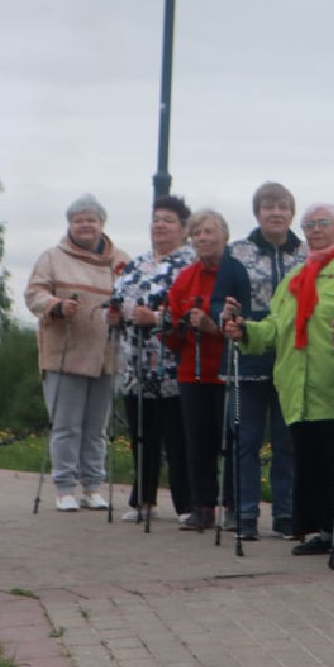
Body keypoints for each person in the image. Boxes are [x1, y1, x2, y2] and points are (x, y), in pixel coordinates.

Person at [224, 203, 334, 555]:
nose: (315, 229)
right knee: (310, 464)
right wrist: (245, 331)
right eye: (310, 224)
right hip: (297, 387)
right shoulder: (294, 279)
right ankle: (323, 530)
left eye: (323, 223)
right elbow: (274, 326)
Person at [24, 195, 130, 512]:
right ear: (70, 224)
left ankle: (93, 486)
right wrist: (56, 306)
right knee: (66, 426)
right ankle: (66, 487)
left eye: (91, 219)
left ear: (102, 224)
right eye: (79, 220)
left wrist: (121, 313)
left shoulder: (120, 259)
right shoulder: (52, 258)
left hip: (105, 354)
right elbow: (34, 294)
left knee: (97, 428)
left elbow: (133, 296)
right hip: (66, 353)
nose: (85, 225)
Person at [163, 210, 251, 534]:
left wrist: (213, 326)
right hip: (191, 371)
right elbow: (170, 327)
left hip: (227, 369)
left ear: (224, 235)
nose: (202, 237)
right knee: (197, 440)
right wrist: (175, 325)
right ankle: (202, 505)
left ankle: (232, 505)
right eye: (197, 232)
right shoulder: (185, 277)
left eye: (209, 231)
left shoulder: (236, 273)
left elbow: (245, 321)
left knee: (230, 437)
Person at [229, 182, 306, 538]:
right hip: (248, 358)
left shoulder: (305, 253)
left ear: (291, 212)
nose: (276, 213)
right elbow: (223, 296)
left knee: (287, 442)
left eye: (282, 206)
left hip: (291, 358)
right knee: (246, 440)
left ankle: (287, 513)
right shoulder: (238, 252)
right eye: (268, 207)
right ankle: (244, 512)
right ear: (257, 213)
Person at [112, 195, 195, 522]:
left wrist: (158, 319)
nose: (160, 225)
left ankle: (186, 504)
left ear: (183, 228)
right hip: (134, 362)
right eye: (156, 219)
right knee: (141, 435)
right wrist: (117, 314)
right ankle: (142, 500)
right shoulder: (136, 263)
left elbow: (189, 308)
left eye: (169, 220)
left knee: (176, 437)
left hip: (172, 362)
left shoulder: (189, 265)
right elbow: (119, 297)